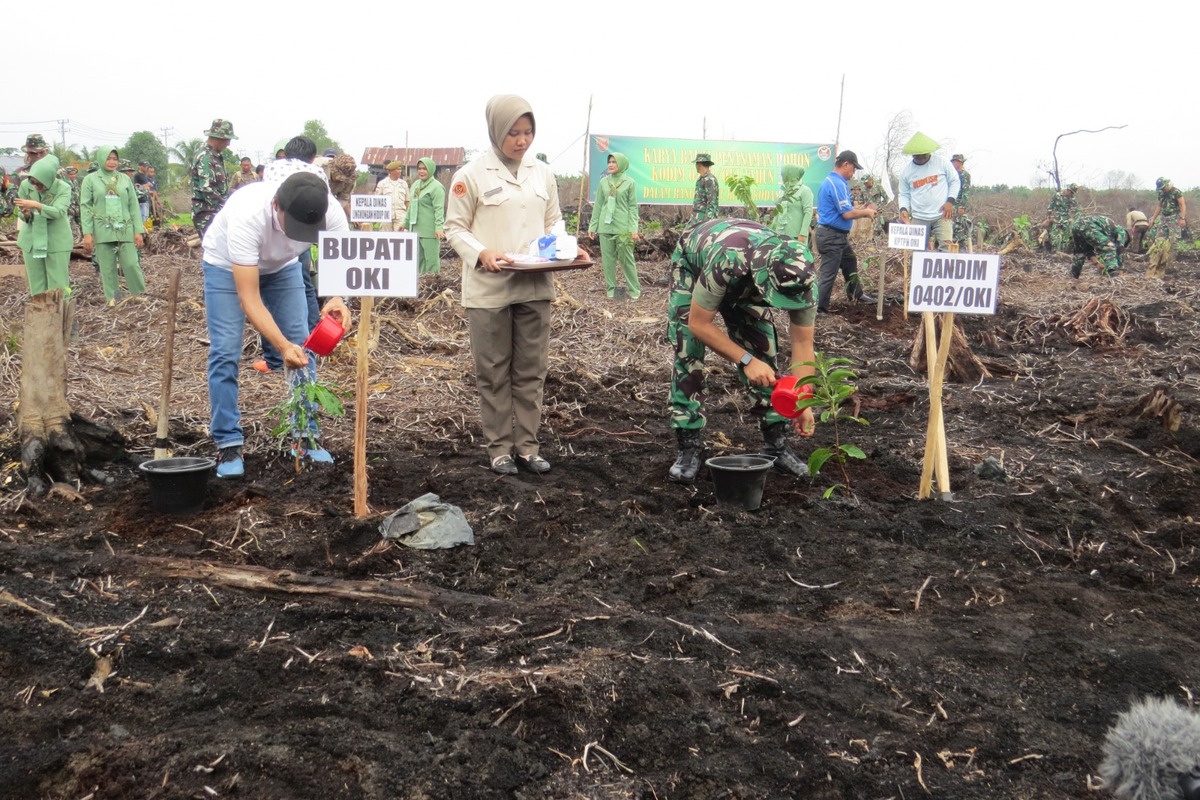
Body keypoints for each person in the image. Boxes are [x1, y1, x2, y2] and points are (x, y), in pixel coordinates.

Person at [201, 172, 352, 478]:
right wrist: (281, 346)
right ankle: (228, 442)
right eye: (294, 225)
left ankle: (305, 437)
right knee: (226, 351)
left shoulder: (331, 210)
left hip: (283, 267)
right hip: (227, 268)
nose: (300, 234)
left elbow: (340, 262)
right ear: (276, 206)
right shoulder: (248, 215)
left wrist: (338, 296)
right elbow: (250, 299)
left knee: (303, 344)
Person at [445, 94, 561, 476]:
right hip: (489, 289)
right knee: (493, 371)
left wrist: (562, 246)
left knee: (531, 370)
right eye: (513, 133)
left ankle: (528, 446)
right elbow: (455, 228)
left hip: (534, 286)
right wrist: (482, 253)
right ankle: (499, 449)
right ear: (496, 130)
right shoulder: (470, 175)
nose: (522, 140)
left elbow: (553, 222)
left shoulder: (541, 172)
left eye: (528, 132)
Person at [666, 218, 818, 483]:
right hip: (697, 263)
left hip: (745, 278)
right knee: (688, 349)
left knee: (764, 349)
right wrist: (745, 360)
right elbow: (699, 323)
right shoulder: (728, 258)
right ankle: (688, 444)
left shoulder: (802, 278)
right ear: (765, 276)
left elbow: (803, 343)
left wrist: (802, 400)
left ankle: (776, 445)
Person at [254, 135, 330, 373]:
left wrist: (338, 296)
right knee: (305, 285)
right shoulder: (317, 176)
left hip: (282, 246)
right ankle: (300, 345)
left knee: (298, 288)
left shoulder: (273, 169)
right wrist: (284, 345)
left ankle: (280, 357)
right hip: (283, 240)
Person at [80, 147, 146, 305]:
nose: (112, 162)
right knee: (108, 268)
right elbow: (85, 207)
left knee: (131, 263)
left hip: (125, 228)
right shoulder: (90, 180)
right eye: (108, 158)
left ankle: (138, 294)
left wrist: (138, 230)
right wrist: (87, 233)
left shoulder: (125, 179)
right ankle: (114, 298)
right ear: (101, 159)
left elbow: (133, 206)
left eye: (115, 159)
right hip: (103, 230)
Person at [814, 150, 877, 312]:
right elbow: (847, 214)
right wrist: (866, 213)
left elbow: (844, 209)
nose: (853, 172)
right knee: (829, 274)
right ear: (845, 164)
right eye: (853, 169)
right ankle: (819, 309)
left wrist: (859, 208)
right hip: (831, 236)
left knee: (850, 260)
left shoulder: (837, 182)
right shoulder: (836, 183)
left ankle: (856, 294)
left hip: (837, 236)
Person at [14, 155, 73, 296]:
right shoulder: (25, 186)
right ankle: (40, 315)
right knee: (36, 284)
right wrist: (26, 214)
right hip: (31, 240)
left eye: (40, 183)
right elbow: (21, 212)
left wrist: (36, 205)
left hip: (56, 240)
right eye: (33, 182)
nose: (36, 186)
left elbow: (58, 212)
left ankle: (60, 315)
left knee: (58, 284)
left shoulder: (63, 188)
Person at [588, 152, 641, 299]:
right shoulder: (604, 182)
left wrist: (633, 228)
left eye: (614, 162)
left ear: (622, 164)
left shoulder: (630, 183)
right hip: (605, 227)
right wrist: (593, 225)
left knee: (626, 259)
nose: (611, 164)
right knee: (608, 260)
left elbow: (632, 207)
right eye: (609, 162)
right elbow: (598, 205)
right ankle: (611, 289)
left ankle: (634, 290)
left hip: (623, 228)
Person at [896, 132, 960, 252]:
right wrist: (903, 209)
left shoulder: (942, 162)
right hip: (919, 216)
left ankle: (944, 271)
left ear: (929, 152)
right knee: (915, 252)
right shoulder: (906, 172)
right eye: (917, 156)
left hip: (942, 214)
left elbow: (954, 181)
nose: (920, 158)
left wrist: (950, 201)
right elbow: (903, 194)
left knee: (947, 249)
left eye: (923, 156)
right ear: (912, 155)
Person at [190, 118, 235, 237]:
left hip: (215, 213)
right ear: (218, 138)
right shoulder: (206, 157)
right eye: (227, 140)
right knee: (214, 252)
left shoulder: (215, 156)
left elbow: (220, 188)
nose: (228, 144)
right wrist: (227, 208)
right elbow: (207, 190)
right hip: (207, 214)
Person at [407, 156, 446, 275]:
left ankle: (434, 287)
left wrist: (439, 227)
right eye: (419, 168)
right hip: (415, 229)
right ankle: (420, 288)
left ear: (431, 169)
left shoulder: (436, 187)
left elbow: (439, 209)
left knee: (431, 262)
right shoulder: (416, 185)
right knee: (418, 261)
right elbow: (411, 206)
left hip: (430, 231)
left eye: (424, 169)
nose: (421, 171)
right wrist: (405, 223)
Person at [1147, 177, 1187, 247]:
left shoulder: (1176, 192)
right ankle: (1158, 256)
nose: (1162, 189)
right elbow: (1159, 206)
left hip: (1174, 218)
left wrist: (1182, 218)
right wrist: (1153, 218)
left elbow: (1182, 205)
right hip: (1163, 218)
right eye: (1161, 188)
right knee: (1159, 239)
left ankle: (1171, 257)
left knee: (1173, 240)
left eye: (1163, 188)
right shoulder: (1161, 193)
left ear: (1167, 185)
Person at [1041, 184, 1078, 252]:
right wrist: (1048, 218)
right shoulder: (1057, 196)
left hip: (1066, 219)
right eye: (1071, 192)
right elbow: (1050, 207)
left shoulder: (1072, 199)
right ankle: (1054, 251)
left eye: (1073, 193)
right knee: (1055, 236)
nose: (1071, 194)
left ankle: (1063, 252)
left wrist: (1074, 219)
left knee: (1066, 237)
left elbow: (1075, 211)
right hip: (1056, 219)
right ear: (1068, 190)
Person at [375, 160, 410, 231]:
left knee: (401, 237)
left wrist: (408, 216)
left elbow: (407, 201)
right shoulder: (382, 184)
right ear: (390, 171)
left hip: (400, 214)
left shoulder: (404, 184)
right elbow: (376, 200)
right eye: (397, 169)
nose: (400, 171)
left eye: (400, 169)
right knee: (385, 238)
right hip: (386, 215)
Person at [950, 154, 972, 249]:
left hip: (958, 205)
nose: (953, 163)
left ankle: (961, 249)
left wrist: (962, 206)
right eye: (953, 161)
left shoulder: (964, 174)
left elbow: (965, 191)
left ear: (960, 162)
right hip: (950, 205)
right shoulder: (952, 174)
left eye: (955, 161)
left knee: (959, 229)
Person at [692, 153, 719, 224]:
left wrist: (708, 222)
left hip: (704, 218)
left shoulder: (709, 179)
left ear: (699, 165)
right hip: (698, 216)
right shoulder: (702, 178)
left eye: (696, 164)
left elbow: (712, 203)